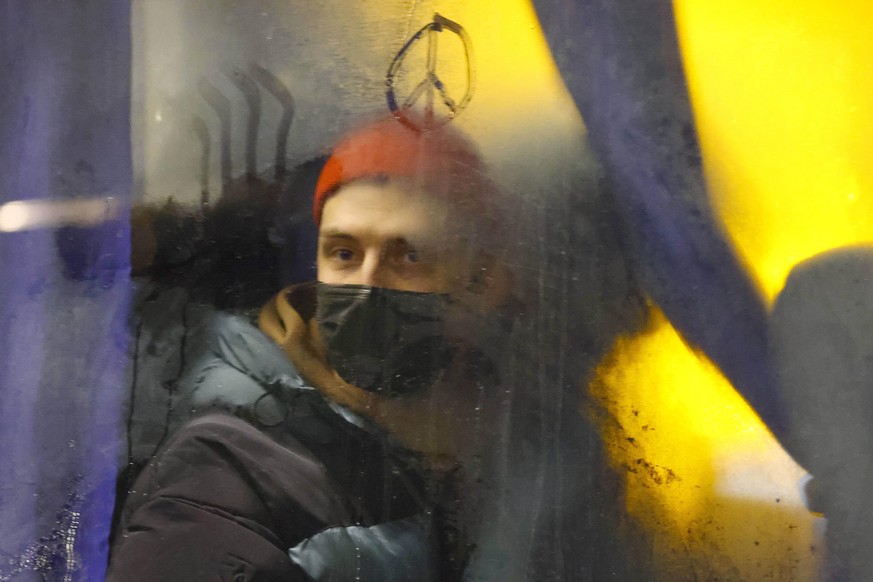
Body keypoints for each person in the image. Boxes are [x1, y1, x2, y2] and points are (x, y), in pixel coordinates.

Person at [107, 114, 516, 581]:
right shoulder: (232, 466)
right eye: (343, 253)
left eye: (409, 256)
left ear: (482, 282)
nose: (368, 284)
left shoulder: (521, 437)